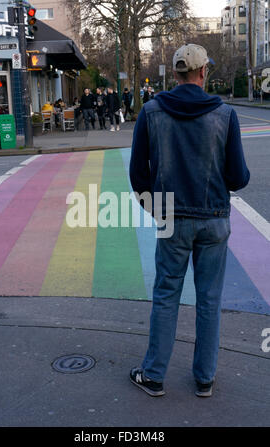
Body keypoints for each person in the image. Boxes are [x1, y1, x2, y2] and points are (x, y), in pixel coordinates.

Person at [129, 43, 250, 398]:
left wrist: (157, 207)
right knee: (209, 299)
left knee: (166, 295)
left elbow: (139, 175)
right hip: (213, 219)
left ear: (176, 73)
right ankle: (204, 377)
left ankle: (153, 375)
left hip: (171, 217)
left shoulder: (151, 112)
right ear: (203, 73)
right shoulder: (225, 114)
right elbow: (238, 176)